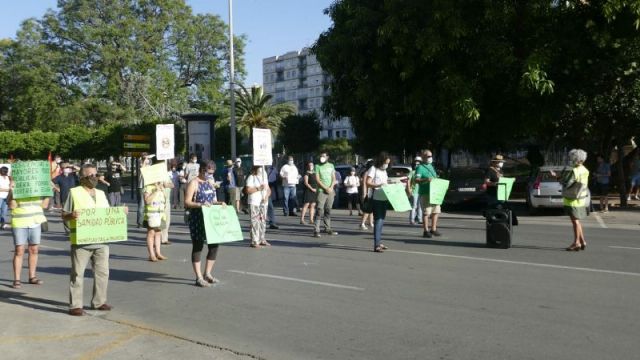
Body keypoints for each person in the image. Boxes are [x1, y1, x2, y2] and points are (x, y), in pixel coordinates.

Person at [63, 164, 117, 316]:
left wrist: (120, 213)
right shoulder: (74, 193)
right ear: (82, 178)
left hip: (101, 240)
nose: (94, 178)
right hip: (82, 241)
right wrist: (71, 215)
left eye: (95, 174)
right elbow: (64, 214)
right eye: (90, 175)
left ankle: (99, 301)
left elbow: (107, 214)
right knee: (77, 274)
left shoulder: (101, 193)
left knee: (102, 272)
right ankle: (75, 305)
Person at [184, 161, 226, 287]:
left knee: (214, 246)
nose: (210, 175)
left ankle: (208, 273)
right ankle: (198, 277)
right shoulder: (194, 183)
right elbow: (186, 202)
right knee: (198, 247)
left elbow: (213, 200)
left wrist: (220, 203)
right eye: (208, 173)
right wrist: (200, 204)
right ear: (202, 170)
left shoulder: (210, 184)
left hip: (211, 220)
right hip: (197, 219)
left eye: (212, 173)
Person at [7, 184, 49, 288]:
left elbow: (44, 205)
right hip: (20, 222)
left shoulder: (38, 187)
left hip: (35, 222)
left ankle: (32, 277)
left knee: (34, 249)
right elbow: (12, 206)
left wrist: (48, 191)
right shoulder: (17, 186)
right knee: (19, 250)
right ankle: (17, 279)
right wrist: (12, 192)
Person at [550, 149, 590, 251]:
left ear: (575, 159)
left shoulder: (574, 171)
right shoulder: (585, 170)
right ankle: (582, 241)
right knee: (577, 221)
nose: (570, 160)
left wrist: (556, 177)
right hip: (581, 198)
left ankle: (576, 243)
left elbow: (566, 183)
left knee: (575, 221)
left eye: (571, 158)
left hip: (571, 199)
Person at [366, 153, 391, 252]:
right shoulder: (373, 169)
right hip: (376, 197)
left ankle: (379, 241)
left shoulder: (384, 171)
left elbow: (385, 183)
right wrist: (379, 184)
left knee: (381, 220)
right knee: (378, 220)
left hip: (384, 197)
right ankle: (376, 245)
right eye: (385, 163)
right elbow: (368, 183)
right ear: (381, 161)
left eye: (388, 163)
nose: (386, 165)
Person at [415, 150, 442, 238]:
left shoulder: (431, 166)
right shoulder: (420, 167)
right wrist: (426, 180)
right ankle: (425, 231)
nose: (430, 158)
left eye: (431, 156)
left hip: (435, 193)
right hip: (425, 193)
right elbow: (416, 180)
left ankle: (433, 229)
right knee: (426, 212)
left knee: (436, 211)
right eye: (428, 156)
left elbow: (434, 177)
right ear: (423, 158)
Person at [313, 152, 338, 237]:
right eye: (321, 156)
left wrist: (331, 187)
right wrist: (325, 188)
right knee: (319, 210)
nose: (322, 157)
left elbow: (334, 178)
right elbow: (317, 179)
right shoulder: (317, 166)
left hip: (330, 191)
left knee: (328, 210)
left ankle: (327, 228)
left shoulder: (331, 165)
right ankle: (316, 230)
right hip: (321, 191)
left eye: (323, 156)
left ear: (327, 157)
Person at [246, 166, 272, 247]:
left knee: (263, 221)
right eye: (260, 168)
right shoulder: (251, 177)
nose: (262, 170)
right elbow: (248, 190)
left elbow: (268, 189)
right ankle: (254, 241)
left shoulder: (265, 177)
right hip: (254, 202)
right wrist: (258, 188)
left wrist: (266, 197)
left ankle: (262, 239)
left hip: (263, 203)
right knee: (254, 221)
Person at [144, 179, 168, 261]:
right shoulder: (148, 187)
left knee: (158, 233)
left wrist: (162, 189)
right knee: (151, 233)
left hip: (160, 214)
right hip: (152, 215)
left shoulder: (161, 187)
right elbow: (147, 201)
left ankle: (158, 253)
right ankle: (151, 254)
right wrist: (155, 191)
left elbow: (164, 200)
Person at [53, 163, 79, 234]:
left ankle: (75, 229)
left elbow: (79, 170)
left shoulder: (73, 175)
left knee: (75, 214)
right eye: (65, 168)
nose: (67, 168)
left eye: (67, 167)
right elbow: (50, 182)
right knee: (65, 215)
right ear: (62, 169)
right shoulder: (59, 177)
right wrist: (56, 188)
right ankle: (68, 230)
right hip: (64, 198)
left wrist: (71, 165)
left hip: (74, 198)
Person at [137, 153, 152, 227]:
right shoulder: (140, 164)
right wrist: (143, 161)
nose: (147, 160)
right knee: (142, 205)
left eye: (148, 159)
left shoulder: (150, 166)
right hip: (142, 186)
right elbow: (142, 168)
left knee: (148, 204)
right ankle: (139, 222)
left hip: (149, 186)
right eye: (145, 158)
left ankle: (147, 221)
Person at [407, 156, 423, 225]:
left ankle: (420, 219)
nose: (416, 165)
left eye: (418, 164)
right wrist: (409, 189)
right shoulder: (412, 172)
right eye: (415, 164)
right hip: (414, 192)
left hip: (421, 191)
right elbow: (408, 181)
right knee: (414, 206)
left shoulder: (421, 172)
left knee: (420, 206)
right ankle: (412, 220)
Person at [359, 159, 375, 230]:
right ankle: (362, 223)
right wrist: (364, 193)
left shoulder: (372, 172)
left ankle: (371, 223)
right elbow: (364, 184)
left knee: (371, 209)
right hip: (368, 192)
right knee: (367, 209)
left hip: (372, 192)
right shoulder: (366, 173)